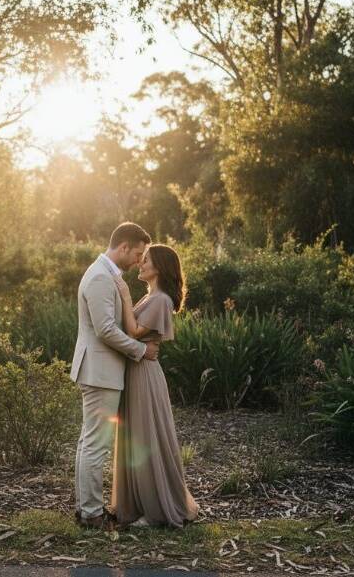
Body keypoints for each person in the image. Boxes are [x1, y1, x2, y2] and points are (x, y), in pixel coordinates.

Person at [71, 222, 160, 530]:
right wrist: (141, 350)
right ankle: (92, 514)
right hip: (100, 371)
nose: (138, 261)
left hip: (99, 370)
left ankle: (86, 509)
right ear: (123, 247)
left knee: (89, 441)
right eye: (137, 254)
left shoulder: (104, 274)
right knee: (96, 444)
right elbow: (106, 329)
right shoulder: (99, 277)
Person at [110, 244, 199, 528]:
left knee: (146, 437)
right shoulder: (151, 297)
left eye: (146, 260)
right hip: (137, 369)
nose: (141, 263)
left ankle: (156, 510)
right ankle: (138, 504)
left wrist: (124, 296)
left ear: (159, 267)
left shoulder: (160, 300)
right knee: (136, 436)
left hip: (145, 373)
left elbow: (134, 331)